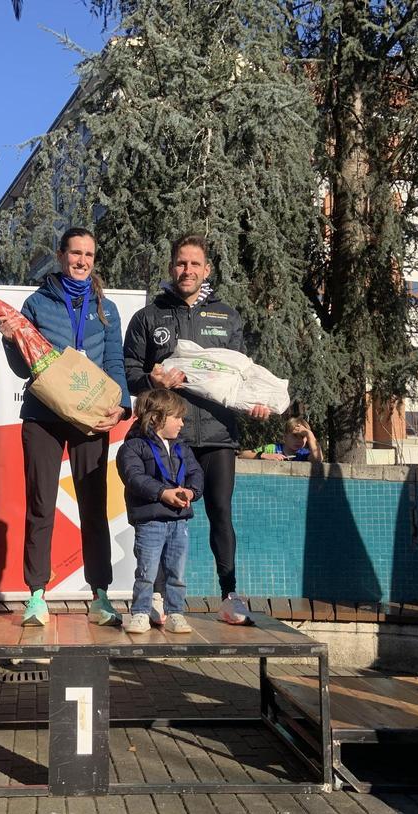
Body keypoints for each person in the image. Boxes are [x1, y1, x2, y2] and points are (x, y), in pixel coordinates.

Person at [123, 234, 270, 626]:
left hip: (219, 433)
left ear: (207, 270)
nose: (186, 270)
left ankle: (229, 597)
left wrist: (256, 404)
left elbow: (241, 376)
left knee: (221, 511)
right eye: (180, 263)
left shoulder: (227, 316)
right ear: (171, 266)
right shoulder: (149, 317)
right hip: (170, 437)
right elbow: (129, 372)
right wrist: (152, 380)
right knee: (162, 515)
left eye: (194, 264)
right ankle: (155, 597)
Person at [0, 227, 132, 628]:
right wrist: (10, 340)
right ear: (61, 256)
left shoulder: (107, 309)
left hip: (90, 415)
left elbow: (114, 362)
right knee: (41, 503)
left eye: (89, 255)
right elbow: (23, 367)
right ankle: (36, 595)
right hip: (42, 416)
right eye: (76, 253)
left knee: (94, 505)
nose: (82, 261)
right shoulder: (37, 303)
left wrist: (122, 406)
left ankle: (101, 596)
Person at [116, 389, 205, 634]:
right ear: (156, 418)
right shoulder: (133, 446)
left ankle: (175, 613)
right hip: (151, 521)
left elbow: (196, 473)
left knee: (177, 572)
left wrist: (191, 492)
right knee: (147, 571)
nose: (182, 423)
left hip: (179, 521)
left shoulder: (181, 447)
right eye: (177, 417)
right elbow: (134, 477)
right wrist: (162, 493)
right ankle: (141, 613)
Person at [239, 416, 323, 462]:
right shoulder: (273, 449)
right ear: (285, 437)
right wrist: (265, 455)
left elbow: (318, 459)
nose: (299, 440)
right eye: (295, 436)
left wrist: (310, 434)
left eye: (303, 437)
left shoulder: (303, 454)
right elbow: (242, 454)